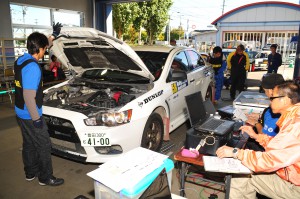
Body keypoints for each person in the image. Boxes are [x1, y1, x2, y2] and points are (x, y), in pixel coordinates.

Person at [216, 81, 300, 199]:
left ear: (285, 100)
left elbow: (269, 160)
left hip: (296, 188)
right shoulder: (295, 116)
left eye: (272, 98)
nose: (269, 102)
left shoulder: (295, 124)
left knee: (241, 175)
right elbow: (283, 148)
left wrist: (236, 152)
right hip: (292, 175)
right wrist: (257, 136)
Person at [14, 22, 64, 186]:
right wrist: (37, 119)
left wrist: (53, 36)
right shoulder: (33, 68)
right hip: (30, 113)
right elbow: (29, 97)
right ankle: (45, 177)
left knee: (28, 143)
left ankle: (30, 172)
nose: (46, 51)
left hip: (20, 111)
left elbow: (42, 43)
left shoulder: (21, 60)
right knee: (44, 144)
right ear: (40, 49)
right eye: (45, 48)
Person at [245, 73, 284, 151]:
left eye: (264, 91)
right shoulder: (286, 104)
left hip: (269, 150)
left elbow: (264, 136)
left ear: (270, 91)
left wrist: (256, 123)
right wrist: (260, 116)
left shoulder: (277, 110)